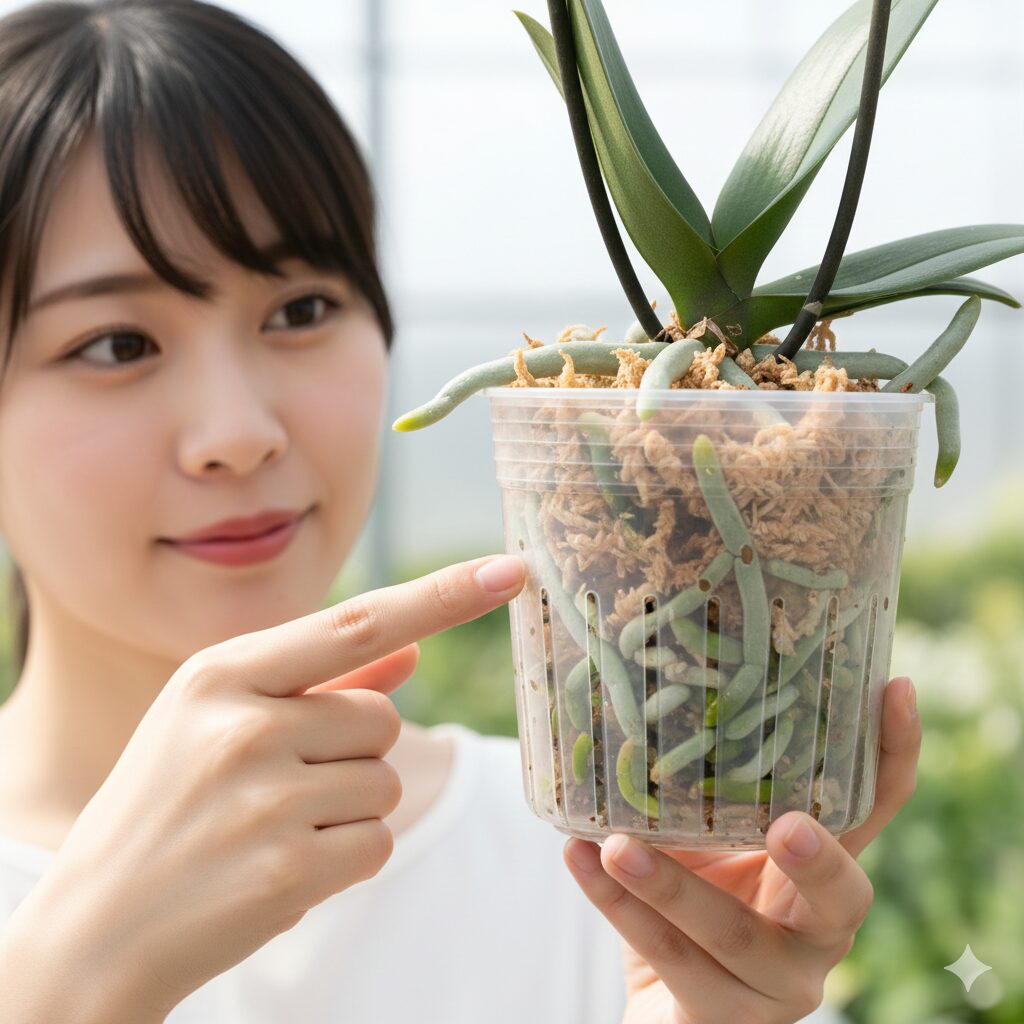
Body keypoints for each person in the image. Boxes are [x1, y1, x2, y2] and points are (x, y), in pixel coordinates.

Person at [0, 2, 923, 1022]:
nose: (240, 431)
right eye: (115, 344)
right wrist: (64, 986)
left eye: (301, 309)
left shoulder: (624, 861)